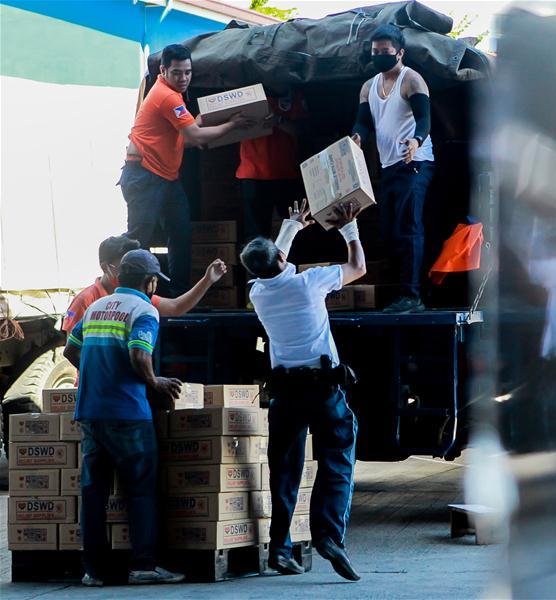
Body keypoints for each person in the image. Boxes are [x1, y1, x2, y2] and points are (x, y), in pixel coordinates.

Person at [240, 199, 365, 580]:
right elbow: (358, 267)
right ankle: (328, 536)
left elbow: (272, 264)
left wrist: (291, 226)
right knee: (337, 458)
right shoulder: (310, 283)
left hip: (285, 395)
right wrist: (349, 228)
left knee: (284, 470)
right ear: (281, 258)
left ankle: (279, 549)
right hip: (322, 390)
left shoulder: (258, 295)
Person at [63, 249, 184, 586]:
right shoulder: (144, 310)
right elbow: (139, 354)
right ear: (150, 282)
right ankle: (143, 565)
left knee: (94, 493)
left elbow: (70, 350)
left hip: (90, 411)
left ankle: (94, 571)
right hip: (128, 413)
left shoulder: (96, 307)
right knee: (141, 490)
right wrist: (154, 382)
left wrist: (98, 375)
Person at [121, 43, 252, 294]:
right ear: (163, 71)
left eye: (188, 72)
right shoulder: (167, 96)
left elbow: (184, 137)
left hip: (167, 177)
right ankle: (128, 293)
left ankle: (180, 296)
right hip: (145, 175)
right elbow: (195, 137)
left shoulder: (173, 94)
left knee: (181, 234)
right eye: (177, 73)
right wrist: (233, 125)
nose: (184, 78)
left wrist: (200, 122)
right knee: (138, 239)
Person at [351, 24, 435, 313]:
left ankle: (413, 296)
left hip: (415, 162)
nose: (379, 56)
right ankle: (398, 291)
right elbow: (363, 121)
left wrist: (416, 140)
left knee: (409, 228)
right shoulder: (369, 86)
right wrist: (358, 136)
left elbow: (424, 119)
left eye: (385, 51)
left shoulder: (411, 80)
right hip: (388, 166)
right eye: (375, 52)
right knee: (390, 230)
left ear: (399, 53)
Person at [61, 235, 228, 335]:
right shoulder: (85, 301)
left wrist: (207, 280)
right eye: (125, 266)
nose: (130, 271)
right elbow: (72, 350)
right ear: (105, 267)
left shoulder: (137, 297)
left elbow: (176, 307)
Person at [237, 91, 307, 241]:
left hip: (287, 174)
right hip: (252, 174)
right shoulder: (244, 94)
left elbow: (301, 131)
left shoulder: (292, 94)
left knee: (294, 230)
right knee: (255, 236)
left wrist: (279, 120)